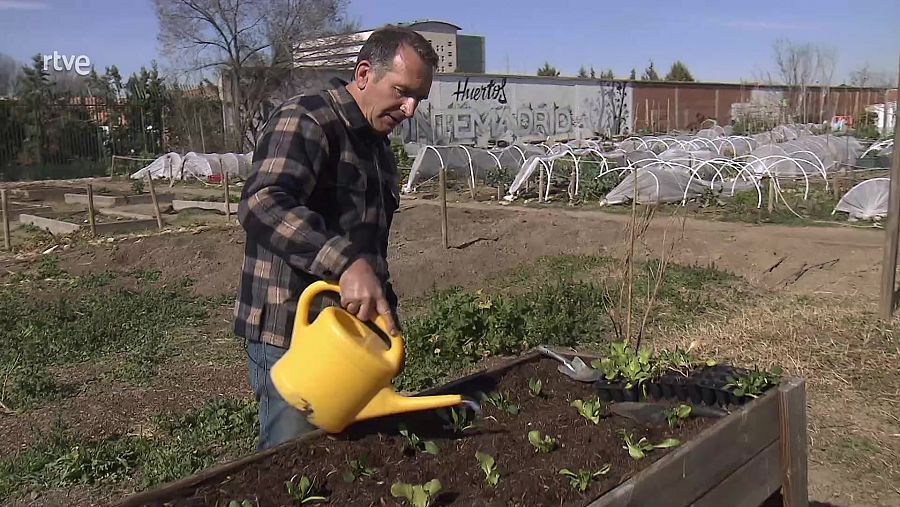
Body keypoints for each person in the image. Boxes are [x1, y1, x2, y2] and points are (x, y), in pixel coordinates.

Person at [234, 25, 438, 450]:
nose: (410, 109)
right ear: (364, 74)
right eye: (402, 92)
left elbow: (369, 250)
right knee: (296, 463)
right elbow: (262, 202)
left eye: (419, 98)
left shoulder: (377, 147)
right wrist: (345, 262)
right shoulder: (308, 119)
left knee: (344, 462)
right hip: (295, 333)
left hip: (349, 341)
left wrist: (384, 320)